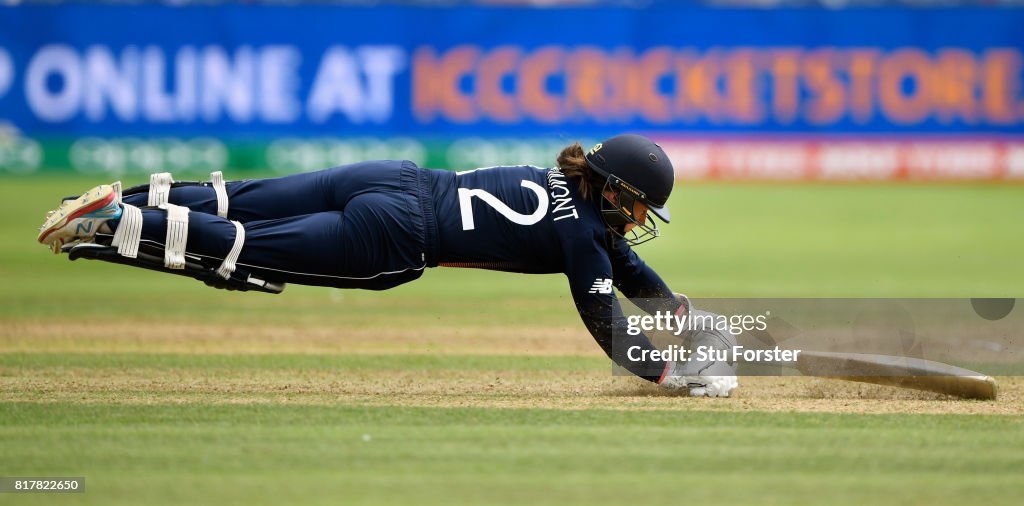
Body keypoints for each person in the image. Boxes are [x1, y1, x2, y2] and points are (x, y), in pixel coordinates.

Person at [37, 134, 738, 397]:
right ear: (614, 190)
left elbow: (623, 267)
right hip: (399, 236)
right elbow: (605, 319)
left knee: (237, 198)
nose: (640, 221)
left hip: (391, 177)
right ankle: (121, 223)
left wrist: (679, 312)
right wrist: (675, 371)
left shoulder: (566, 189)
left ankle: (119, 198)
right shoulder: (583, 236)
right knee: (250, 251)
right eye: (640, 207)